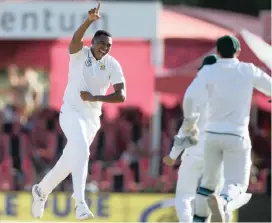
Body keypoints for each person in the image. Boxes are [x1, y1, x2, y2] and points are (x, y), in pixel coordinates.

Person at [31, 1, 126, 220]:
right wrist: (88, 21)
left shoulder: (112, 64)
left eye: (108, 46)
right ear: (93, 42)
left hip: (92, 118)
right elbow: (75, 40)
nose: (104, 48)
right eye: (101, 43)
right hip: (71, 113)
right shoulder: (80, 54)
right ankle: (80, 203)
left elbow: (121, 95)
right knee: (82, 151)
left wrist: (95, 98)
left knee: (69, 162)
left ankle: (41, 190)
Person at [181, 35, 271, 222]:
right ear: (238, 52)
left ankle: (199, 220)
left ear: (218, 52)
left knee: (207, 183)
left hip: (212, 135)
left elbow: (189, 97)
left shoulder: (208, 71)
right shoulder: (248, 70)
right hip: (237, 135)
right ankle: (222, 202)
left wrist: (190, 122)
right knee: (237, 183)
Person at [163, 55, 252, 222]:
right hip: (218, 154)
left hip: (194, 154)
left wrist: (173, 154)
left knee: (185, 197)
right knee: (217, 197)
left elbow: (187, 126)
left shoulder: (196, 94)